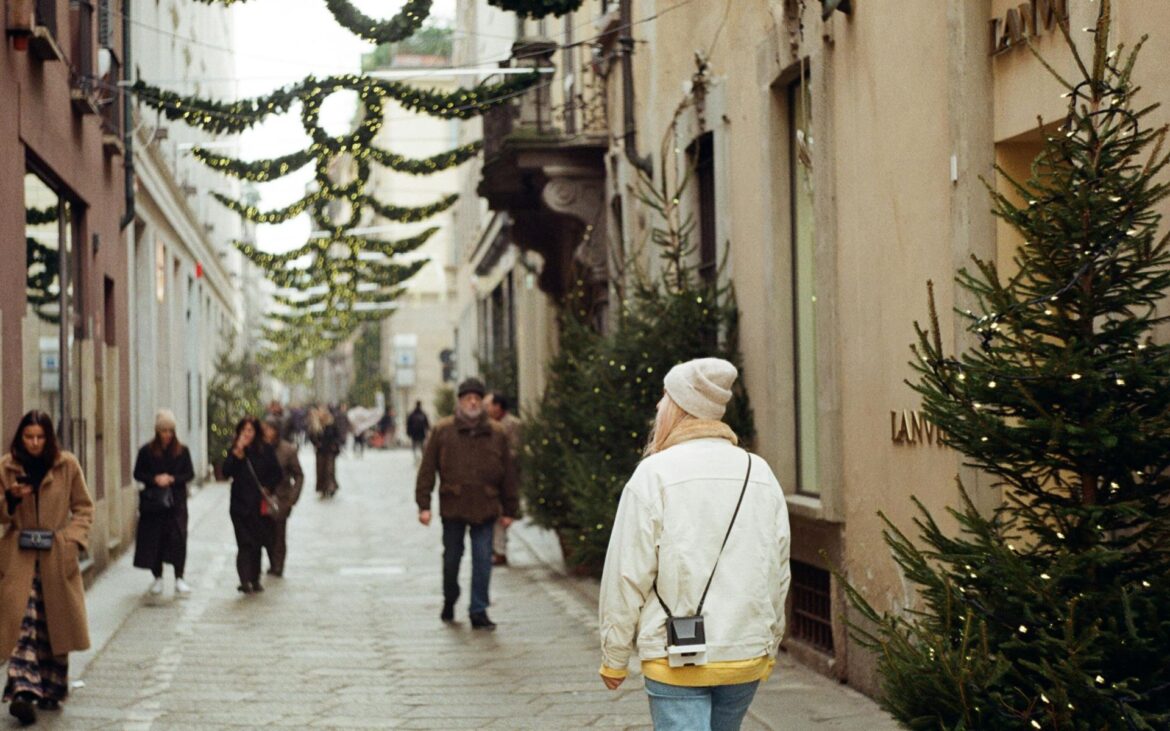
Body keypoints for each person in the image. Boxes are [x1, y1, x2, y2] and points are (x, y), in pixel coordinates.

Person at [598, 358, 791, 731]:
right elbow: (777, 570)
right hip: (743, 653)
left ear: (679, 407)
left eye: (664, 398)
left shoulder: (654, 474)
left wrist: (614, 656)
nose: (658, 407)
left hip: (675, 658)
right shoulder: (759, 472)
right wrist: (769, 641)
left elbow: (626, 572)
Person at [0, 411, 93, 725]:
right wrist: (10, 500)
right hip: (19, 558)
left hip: (55, 556)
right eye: (29, 437)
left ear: (49, 437)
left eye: (40, 437)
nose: (35, 443)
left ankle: (52, 687)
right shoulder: (7, 467)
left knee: (54, 624)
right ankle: (22, 692)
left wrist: (71, 541)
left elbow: (83, 507)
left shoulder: (67, 465)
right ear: (20, 438)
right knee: (23, 623)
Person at [415, 378, 518, 630]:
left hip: (486, 505)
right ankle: (450, 597)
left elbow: (509, 473)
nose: (472, 401)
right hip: (454, 505)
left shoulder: (497, 432)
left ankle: (478, 609)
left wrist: (510, 509)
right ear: (460, 401)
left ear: (482, 402)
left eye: (476, 397)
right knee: (452, 558)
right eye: (466, 397)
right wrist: (424, 504)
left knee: (483, 559)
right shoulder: (443, 430)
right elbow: (427, 469)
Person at [132, 409, 195, 597]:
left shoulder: (182, 451)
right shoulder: (147, 451)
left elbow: (189, 474)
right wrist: (155, 479)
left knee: (178, 538)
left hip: (176, 503)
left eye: (170, 431)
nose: (167, 435)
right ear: (157, 431)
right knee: (155, 539)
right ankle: (157, 577)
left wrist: (173, 479)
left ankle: (179, 577)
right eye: (163, 431)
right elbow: (138, 473)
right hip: (155, 504)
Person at [221, 416, 282, 594]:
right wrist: (236, 453)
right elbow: (226, 472)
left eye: (250, 431)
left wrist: (268, 487)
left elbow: (276, 473)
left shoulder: (265, 450)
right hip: (239, 505)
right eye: (244, 431)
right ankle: (244, 580)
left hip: (258, 505)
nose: (247, 434)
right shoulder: (236, 451)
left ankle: (255, 579)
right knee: (244, 543)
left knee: (257, 543)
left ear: (256, 432)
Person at [260, 417, 303, 578]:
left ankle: (278, 565)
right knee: (267, 533)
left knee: (279, 534)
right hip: (264, 498)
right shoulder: (260, 449)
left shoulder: (288, 450)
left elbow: (299, 475)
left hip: (281, 498)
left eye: (269, 429)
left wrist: (292, 497)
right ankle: (272, 562)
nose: (267, 432)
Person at [484, 393, 522, 567]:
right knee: (496, 514)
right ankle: (497, 549)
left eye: (489, 405)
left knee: (501, 514)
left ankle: (500, 551)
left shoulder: (512, 425)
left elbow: (516, 451)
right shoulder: (490, 425)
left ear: (498, 406)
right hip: (494, 477)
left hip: (508, 477)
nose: (486, 409)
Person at [308, 406, 342, 497]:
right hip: (320, 451)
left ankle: (331, 487)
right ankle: (322, 488)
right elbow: (311, 435)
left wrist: (335, 444)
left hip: (330, 450)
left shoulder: (331, 423)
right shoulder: (315, 424)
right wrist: (316, 443)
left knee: (329, 470)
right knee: (320, 470)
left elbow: (337, 435)